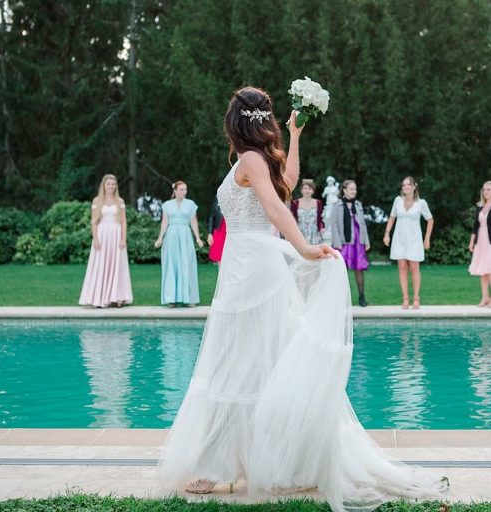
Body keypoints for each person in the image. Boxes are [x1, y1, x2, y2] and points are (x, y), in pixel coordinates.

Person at [158, 87, 446, 511]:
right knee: (256, 360)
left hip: (252, 269)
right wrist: (294, 137)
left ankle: (222, 465)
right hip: (247, 267)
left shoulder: (251, 159)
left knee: (236, 362)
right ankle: (253, 460)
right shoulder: (254, 159)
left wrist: (305, 248)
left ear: (234, 121)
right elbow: (288, 186)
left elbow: (278, 205)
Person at [78, 174, 133, 308]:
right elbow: (94, 222)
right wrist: (95, 238)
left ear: (116, 186)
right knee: (101, 264)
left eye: (113, 184)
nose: (111, 186)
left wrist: (123, 238)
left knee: (117, 265)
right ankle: (100, 297)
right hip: (102, 234)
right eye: (108, 184)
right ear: (103, 185)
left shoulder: (120, 201)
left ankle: (118, 297)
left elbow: (124, 221)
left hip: (116, 234)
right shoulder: (97, 201)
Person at [383, 176, 434, 309]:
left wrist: (427, 238)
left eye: (408, 185)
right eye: (403, 185)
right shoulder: (398, 201)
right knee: (402, 267)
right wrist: (387, 234)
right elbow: (392, 217)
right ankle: (405, 298)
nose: (405, 187)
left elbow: (430, 220)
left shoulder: (421, 203)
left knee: (414, 267)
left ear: (414, 186)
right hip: (399, 239)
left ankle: (416, 298)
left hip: (414, 239)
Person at [154, 181, 204, 307]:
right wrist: (160, 238)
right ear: (175, 191)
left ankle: (189, 298)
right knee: (171, 265)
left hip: (185, 236)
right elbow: (164, 222)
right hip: (171, 237)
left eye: (185, 189)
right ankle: (171, 298)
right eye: (181, 189)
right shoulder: (167, 205)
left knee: (187, 264)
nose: (184, 192)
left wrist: (198, 238)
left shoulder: (190, 204)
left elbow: (193, 222)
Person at [330, 180, 371, 307]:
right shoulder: (337, 205)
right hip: (343, 242)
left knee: (359, 269)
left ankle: (361, 297)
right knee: (342, 271)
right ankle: (342, 300)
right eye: (351, 189)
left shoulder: (358, 205)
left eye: (355, 189)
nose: (354, 191)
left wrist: (366, 241)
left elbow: (363, 224)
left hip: (358, 241)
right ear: (344, 190)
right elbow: (334, 225)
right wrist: (337, 243)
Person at [467, 181, 491, 308]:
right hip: (481, 242)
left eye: (488, 189)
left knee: (490, 270)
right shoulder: (480, 206)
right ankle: (485, 297)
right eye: (484, 189)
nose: (485, 192)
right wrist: (472, 241)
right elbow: (475, 226)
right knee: (482, 271)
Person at [290, 179, 324, 244]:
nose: (307, 191)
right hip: (300, 233)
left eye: (309, 188)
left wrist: (321, 228)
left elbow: (320, 219)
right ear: (301, 190)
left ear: (313, 191)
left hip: (314, 234)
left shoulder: (318, 203)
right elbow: (292, 219)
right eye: (305, 188)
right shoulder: (295, 203)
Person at [206, 197, 226, 263]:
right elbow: (212, 216)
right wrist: (210, 233)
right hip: (219, 229)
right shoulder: (218, 196)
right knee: (219, 257)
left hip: (233, 229)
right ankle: (221, 270)